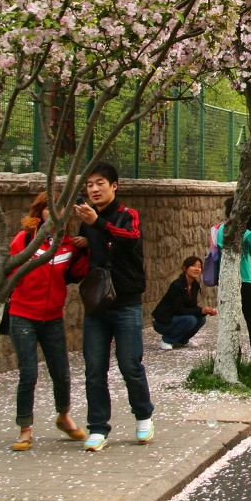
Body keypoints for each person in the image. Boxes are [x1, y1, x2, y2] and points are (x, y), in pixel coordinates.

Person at [75, 162, 155, 451]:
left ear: (114, 186)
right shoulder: (87, 219)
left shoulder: (127, 215)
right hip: (97, 304)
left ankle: (143, 414)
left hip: (126, 303)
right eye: (89, 185)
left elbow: (129, 238)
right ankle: (98, 426)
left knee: (129, 364)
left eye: (100, 183)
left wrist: (96, 223)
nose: (94, 189)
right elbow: (89, 254)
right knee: (94, 368)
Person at [6, 192, 89, 450]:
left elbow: (78, 272)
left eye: (61, 208)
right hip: (23, 315)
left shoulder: (67, 244)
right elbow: (11, 271)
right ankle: (25, 429)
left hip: (53, 316)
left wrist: (87, 247)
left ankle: (63, 416)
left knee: (62, 372)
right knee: (28, 373)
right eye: (49, 208)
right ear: (40, 211)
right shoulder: (25, 240)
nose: (55, 213)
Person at [215, 198, 251, 361]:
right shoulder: (248, 233)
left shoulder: (220, 230)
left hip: (228, 280)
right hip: (246, 280)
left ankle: (234, 354)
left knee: (231, 318)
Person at [152, 256, 217, 349]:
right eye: (193, 266)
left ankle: (181, 341)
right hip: (163, 321)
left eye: (199, 267)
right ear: (185, 268)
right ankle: (167, 340)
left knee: (201, 319)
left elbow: (192, 307)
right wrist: (201, 311)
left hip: (177, 318)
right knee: (190, 319)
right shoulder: (177, 285)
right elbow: (178, 309)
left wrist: (205, 311)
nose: (197, 269)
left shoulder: (195, 285)